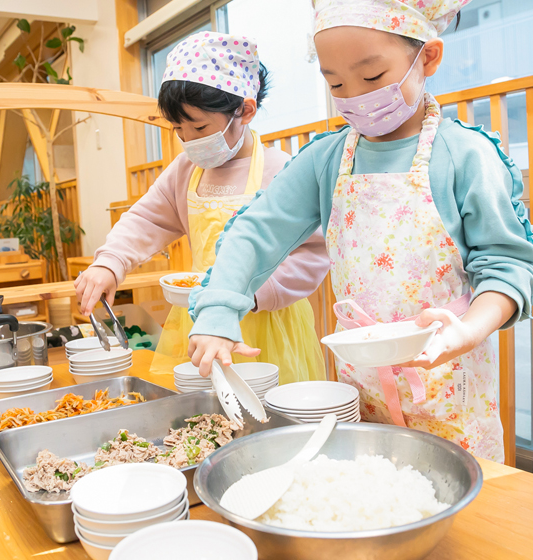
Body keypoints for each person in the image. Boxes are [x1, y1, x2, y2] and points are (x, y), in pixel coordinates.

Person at [187, 0, 533, 463]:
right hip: (360, 388)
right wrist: (217, 310)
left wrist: (468, 332)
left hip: (451, 381)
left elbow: (507, 266)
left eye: (371, 78)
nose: (353, 95)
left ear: (427, 58)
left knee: (459, 501)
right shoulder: (325, 160)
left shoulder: (467, 156)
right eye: (335, 83)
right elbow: (256, 232)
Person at [75, 32, 329, 383]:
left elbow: (312, 252)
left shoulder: (279, 169)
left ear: (244, 110)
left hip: (268, 320)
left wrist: (254, 294)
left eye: (200, 127)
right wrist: (110, 262)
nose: (190, 141)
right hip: (198, 319)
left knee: (270, 411)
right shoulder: (185, 172)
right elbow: (146, 218)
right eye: (180, 130)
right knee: (205, 414)